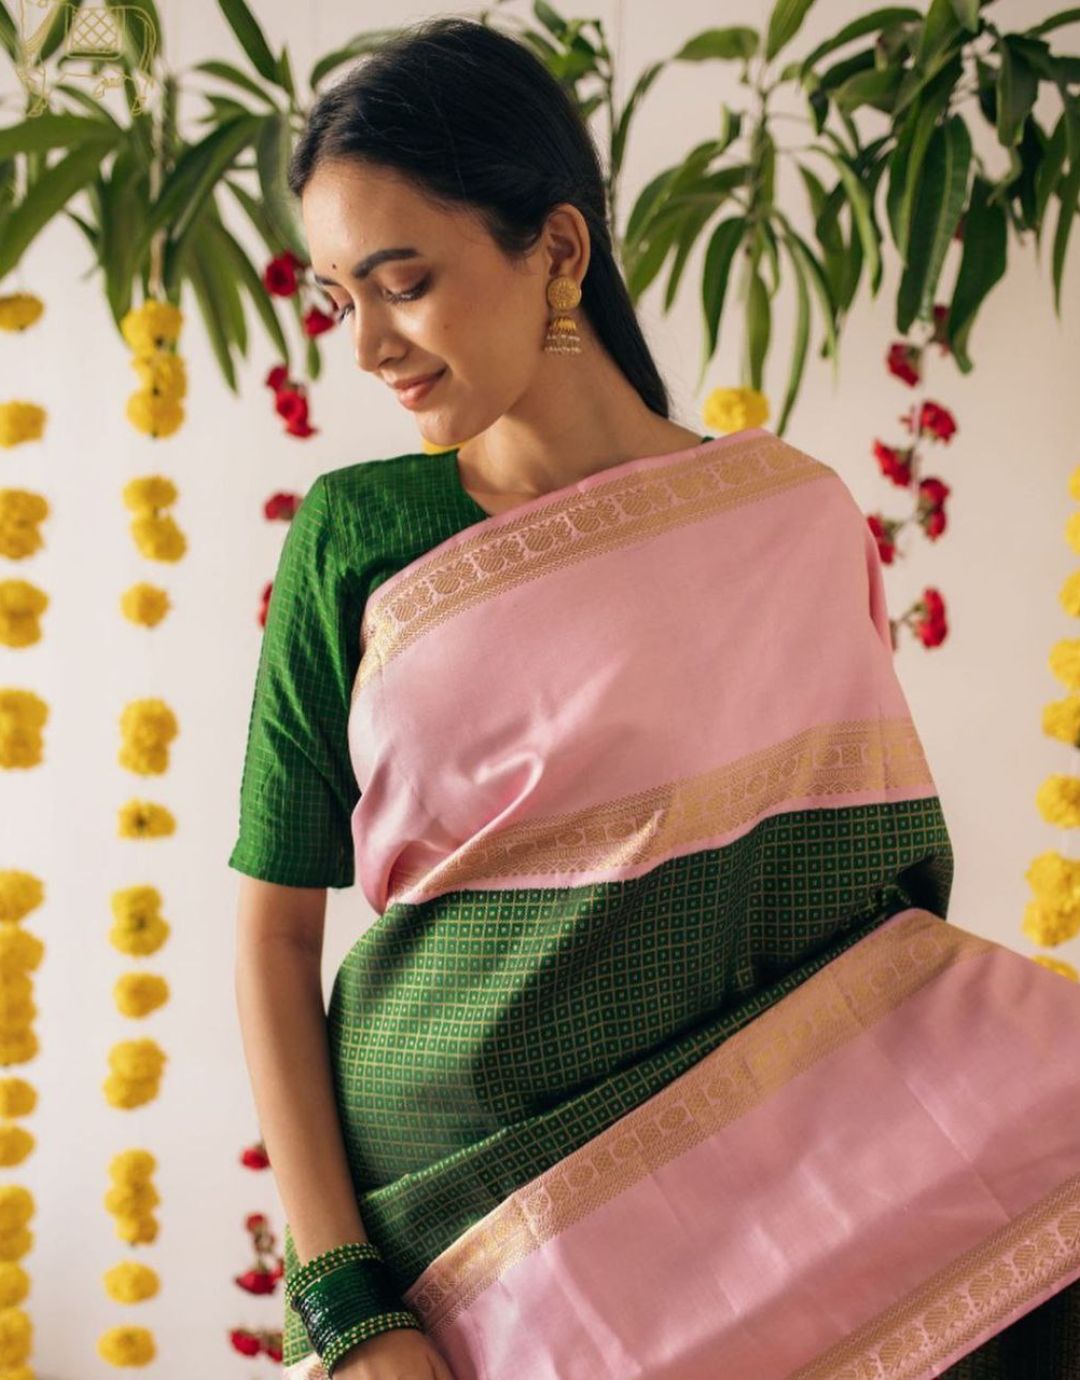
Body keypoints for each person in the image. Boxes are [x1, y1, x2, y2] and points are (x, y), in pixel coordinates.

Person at [230, 17, 1080, 1380]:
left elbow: (862, 909)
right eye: (340, 300)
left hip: (788, 1195)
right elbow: (276, 943)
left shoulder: (791, 521)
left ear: (557, 249)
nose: (369, 345)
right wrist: (344, 1305)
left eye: (403, 282)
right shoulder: (357, 534)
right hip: (466, 1248)